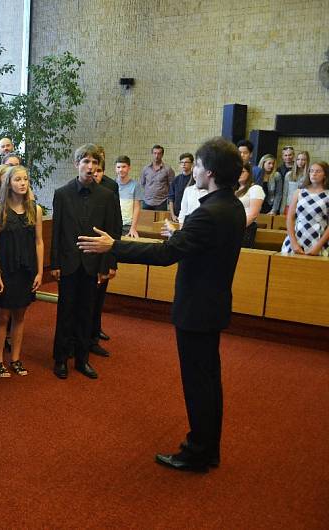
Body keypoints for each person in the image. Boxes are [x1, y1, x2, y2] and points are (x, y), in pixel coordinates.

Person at [78, 136, 246, 472]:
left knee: (198, 382)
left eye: (197, 164)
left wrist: (114, 246)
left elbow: (165, 255)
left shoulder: (207, 213)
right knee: (209, 380)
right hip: (213, 305)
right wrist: (182, 236)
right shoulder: (232, 206)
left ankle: (198, 451)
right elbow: (196, 246)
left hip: (196, 310)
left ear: (209, 171)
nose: (193, 170)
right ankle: (208, 447)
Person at [50, 144, 120, 380]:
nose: (90, 168)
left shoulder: (107, 196)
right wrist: (55, 264)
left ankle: (82, 360)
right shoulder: (62, 193)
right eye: (86, 162)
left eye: (94, 164)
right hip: (68, 263)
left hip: (92, 265)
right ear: (77, 164)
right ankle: (60, 359)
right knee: (65, 312)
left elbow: (111, 233)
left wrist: (108, 265)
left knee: (86, 313)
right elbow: (57, 231)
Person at [0, 165, 43, 377]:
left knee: (20, 316)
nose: (22, 183)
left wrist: (39, 272)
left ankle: (16, 359)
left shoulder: (34, 209)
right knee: (2, 317)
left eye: (25, 179)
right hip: (6, 268)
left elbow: (39, 242)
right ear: (8, 183)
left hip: (26, 269)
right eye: (18, 179)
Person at [90, 160, 120, 353]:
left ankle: (93, 337)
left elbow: (115, 227)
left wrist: (112, 262)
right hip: (84, 254)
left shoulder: (110, 189)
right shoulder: (72, 192)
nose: (94, 171)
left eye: (98, 168)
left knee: (98, 299)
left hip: (103, 254)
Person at [281, 161, 329, 256]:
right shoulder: (299, 192)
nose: (314, 173)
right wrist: (293, 242)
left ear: (325, 175)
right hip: (297, 237)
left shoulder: (327, 194)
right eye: (311, 171)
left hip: (319, 239)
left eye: (318, 171)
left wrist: (318, 246)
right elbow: (290, 218)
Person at [235, 162, 265, 247]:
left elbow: (253, 214)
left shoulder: (255, 188)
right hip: (233, 226)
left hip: (246, 227)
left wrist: (237, 227)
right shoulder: (234, 189)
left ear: (249, 173)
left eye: (242, 171)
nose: (239, 174)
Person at [140, 144, 175, 211]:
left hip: (161, 202)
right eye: (155, 153)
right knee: (145, 221)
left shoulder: (168, 169)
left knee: (160, 222)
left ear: (162, 155)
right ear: (152, 154)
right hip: (147, 201)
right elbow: (143, 183)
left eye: (159, 154)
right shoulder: (145, 169)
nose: (156, 156)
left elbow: (171, 186)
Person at [115, 156, 142, 237]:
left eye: (124, 167)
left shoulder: (135, 185)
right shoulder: (112, 184)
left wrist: (133, 228)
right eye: (118, 167)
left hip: (128, 226)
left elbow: (137, 208)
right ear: (115, 168)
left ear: (129, 168)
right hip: (114, 224)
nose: (121, 169)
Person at [168, 153, 194, 223]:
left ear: (192, 164)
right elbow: (171, 199)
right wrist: (173, 215)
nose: (183, 164)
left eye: (186, 162)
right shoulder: (176, 179)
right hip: (177, 215)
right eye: (182, 162)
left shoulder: (195, 179)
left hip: (191, 215)